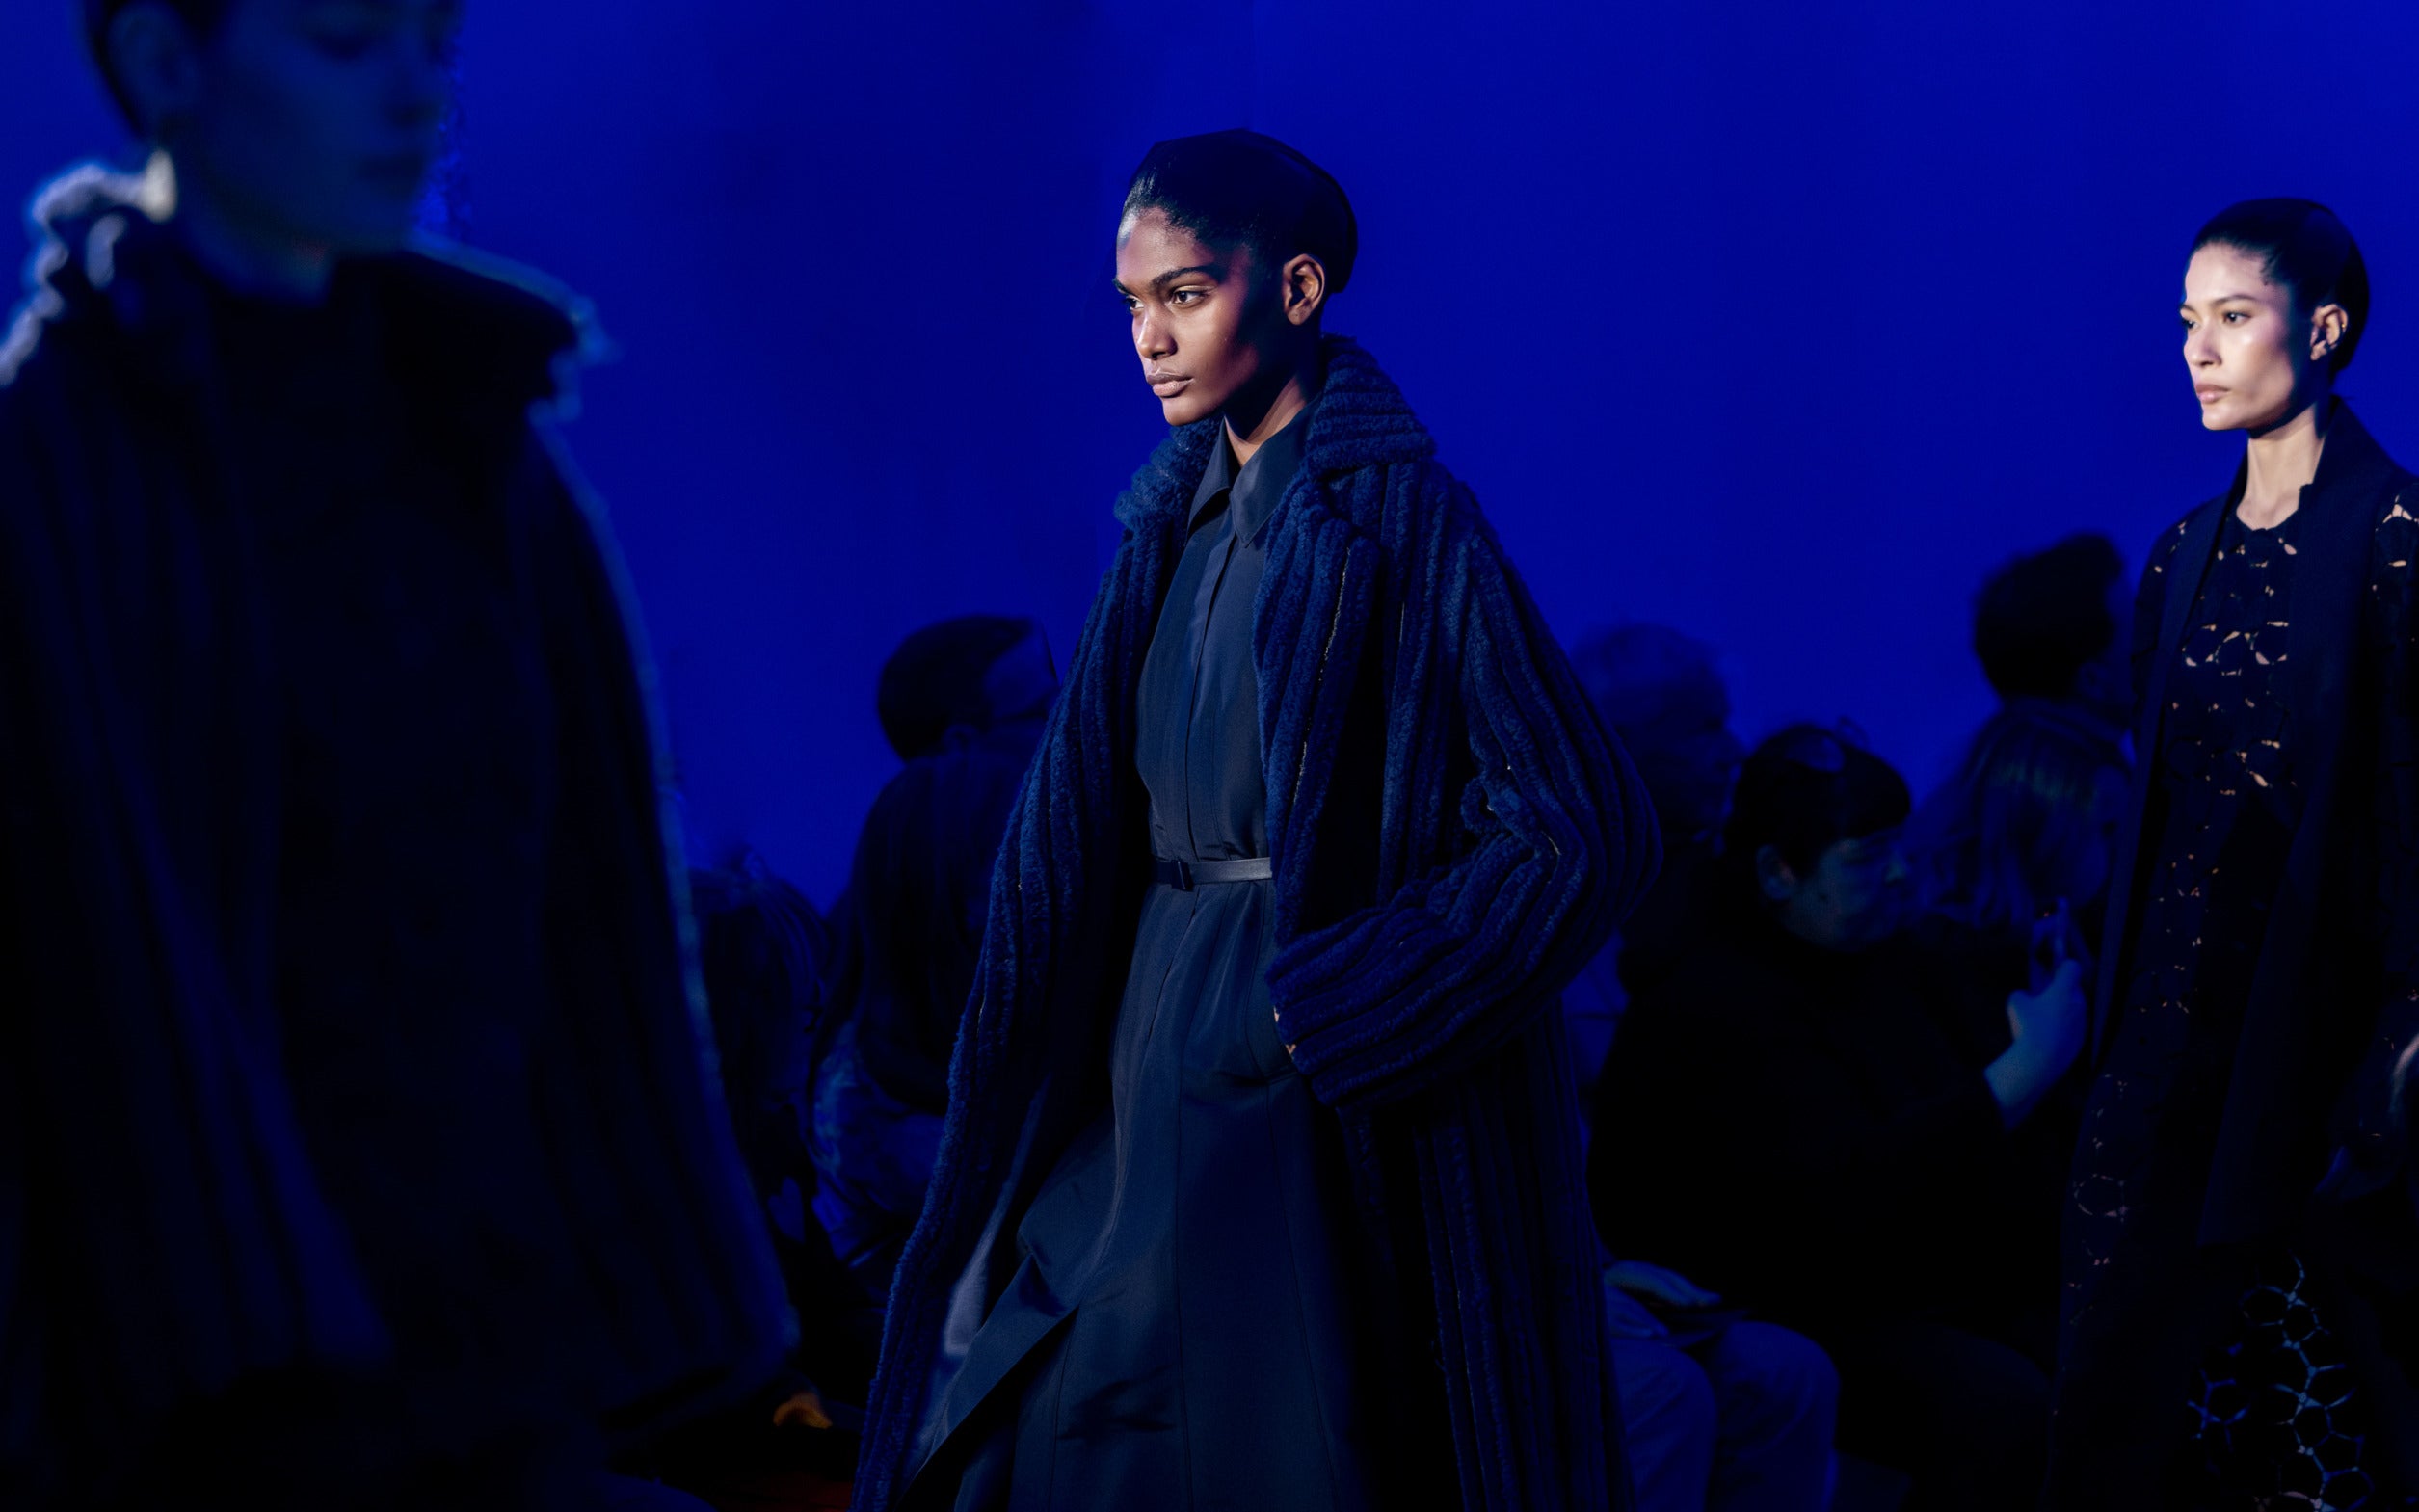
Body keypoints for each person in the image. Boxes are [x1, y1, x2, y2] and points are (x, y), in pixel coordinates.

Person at [0, 3, 787, 1505]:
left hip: (506, 1360)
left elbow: (584, 912)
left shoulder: (483, 442)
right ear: (166, 63)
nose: (416, 95)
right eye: (351, 41)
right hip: (199, 1394)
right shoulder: (58, 472)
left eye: (437, 44)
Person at [854, 130, 1658, 1512]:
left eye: (1183, 294)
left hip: (1284, 1051)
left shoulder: (1402, 523)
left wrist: (1340, 1007)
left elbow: (1582, 825)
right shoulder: (1165, 531)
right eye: (1130, 304)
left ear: (1294, 290)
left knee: (1256, 1441)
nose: (1148, 339)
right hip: (1141, 1025)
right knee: (1034, 1421)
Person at [2048, 199, 2419, 1508]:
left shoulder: (2395, 541)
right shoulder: (2176, 559)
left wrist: (2391, 1053)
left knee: (2307, 1409)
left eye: (2234, 318)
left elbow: (2407, 811)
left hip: (2307, 1046)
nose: (2199, 350)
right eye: (2187, 323)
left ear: (2322, 330)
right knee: (2121, 1398)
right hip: (2158, 1043)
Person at [1594, 725, 2087, 1511]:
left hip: (1907, 1280)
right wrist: (2020, 1074)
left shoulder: (1887, 956)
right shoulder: (1709, 1002)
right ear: (1777, 872)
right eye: (1865, 856)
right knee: (2006, 1408)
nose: (1899, 872)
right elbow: (1836, 1198)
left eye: (1899, 845)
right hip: (1787, 1297)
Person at [811, 617, 1055, 1301]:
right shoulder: (893, 964)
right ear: (959, 744)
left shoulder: (957, 914)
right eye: (1045, 707)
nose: (1071, 719)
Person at [1564, 622, 1744, 1097]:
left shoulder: (1747, 877)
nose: (1735, 752)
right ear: (1617, 744)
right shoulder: (1542, 904)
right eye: (1706, 728)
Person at [1971, 533, 2133, 739]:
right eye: (2136, 629)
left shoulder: (1998, 763)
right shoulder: (2098, 771)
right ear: (2092, 680)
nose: (2156, 639)